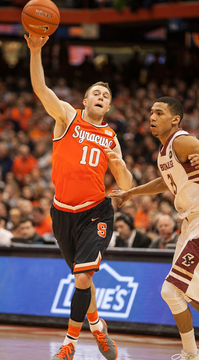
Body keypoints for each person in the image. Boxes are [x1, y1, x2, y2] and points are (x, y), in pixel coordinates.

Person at [25, 34, 132, 360]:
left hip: (96, 211)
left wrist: (118, 165)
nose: (101, 96)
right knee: (81, 278)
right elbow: (42, 89)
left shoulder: (111, 136)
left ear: (108, 107)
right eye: (95, 93)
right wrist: (36, 49)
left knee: (84, 275)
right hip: (62, 211)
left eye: (106, 95)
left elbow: (125, 185)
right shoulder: (67, 117)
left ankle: (69, 344)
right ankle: (98, 326)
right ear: (85, 102)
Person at [109, 96, 199, 360]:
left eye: (159, 113)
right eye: (150, 112)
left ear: (175, 120)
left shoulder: (182, 140)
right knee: (189, 295)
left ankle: (191, 354)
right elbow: (165, 181)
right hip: (189, 223)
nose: (152, 117)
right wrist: (131, 192)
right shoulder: (164, 151)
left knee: (170, 290)